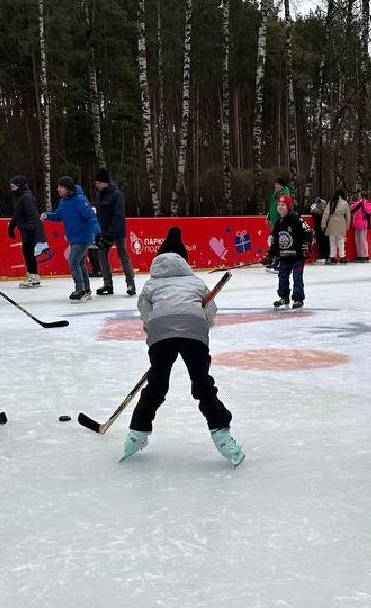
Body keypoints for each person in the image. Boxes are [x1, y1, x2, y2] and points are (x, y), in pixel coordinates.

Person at [121, 228, 244, 466]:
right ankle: (222, 434)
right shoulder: (196, 282)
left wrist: (155, 336)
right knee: (202, 385)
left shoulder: (150, 284)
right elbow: (210, 311)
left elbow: (146, 314)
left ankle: (137, 432)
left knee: (156, 385)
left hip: (161, 331)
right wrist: (199, 329)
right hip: (193, 328)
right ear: (184, 261)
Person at [44, 176, 101, 301]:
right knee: (79, 263)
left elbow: (91, 217)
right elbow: (59, 215)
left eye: (60, 187)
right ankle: (86, 289)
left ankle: (80, 289)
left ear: (67, 188)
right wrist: (48, 216)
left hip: (83, 237)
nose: (58, 189)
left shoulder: (80, 200)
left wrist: (98, 233)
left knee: (73, 261)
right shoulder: (63, 201)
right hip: (73, 238)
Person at [93, 168, 136, 296]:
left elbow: (118, 216)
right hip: (104, 230)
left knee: (122, 254)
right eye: (96, 183)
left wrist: (109, 234)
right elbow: (99, 214)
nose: (97, 185)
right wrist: (99, 232)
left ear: (106, 182)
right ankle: (107, 284)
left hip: (117, 230)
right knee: (102, 255)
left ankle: (130, 283)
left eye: (99, 183)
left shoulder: (117, 195)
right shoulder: (98, 194)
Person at [267, 197, 310, 309]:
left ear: (288, 207)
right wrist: (272, 254)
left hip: (297, 255)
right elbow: (275, 241)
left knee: (297, 275)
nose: (280, 207)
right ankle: (284, 296)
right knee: (282, 276)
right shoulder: (278, 223)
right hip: (284, 256)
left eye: (283, 205)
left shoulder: (296, 219)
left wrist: (306, 246)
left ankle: (298, 298)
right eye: (279, 204)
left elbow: (307, 231)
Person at [7, 175, 43, 288]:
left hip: (30, 230)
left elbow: (31, 214)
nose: (11, 188)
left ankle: (33, 276)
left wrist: (30, 230)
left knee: (28, 252)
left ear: (19, 185)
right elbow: (17, 214)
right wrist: (11, 227)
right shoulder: (19, 196)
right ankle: (33, 274)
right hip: (26, 229)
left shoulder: (26, 197)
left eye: (13, 186)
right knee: (27, 252)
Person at [322, 189, 351, 264]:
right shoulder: (345, 203)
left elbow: (326, 213)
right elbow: (348, 215)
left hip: (332, 221)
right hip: (341, 221)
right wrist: (347, 226)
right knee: (340, 240)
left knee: (332, 240)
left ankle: (332, 256)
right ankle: (342, 257)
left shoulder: (331, 202)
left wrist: (323, 224)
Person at [352, 189, 371, 262]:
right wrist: (359, 203)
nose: (358, 197)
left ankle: (365, 255)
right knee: (357, 240)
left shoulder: (368, 203)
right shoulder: (358, 203)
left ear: (363, 197)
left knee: (363, 240)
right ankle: (360, 255)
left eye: (359, 196)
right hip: (357, 224)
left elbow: (370, 210)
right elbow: (352, 207)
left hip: (363, 224)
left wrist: (363, 203)